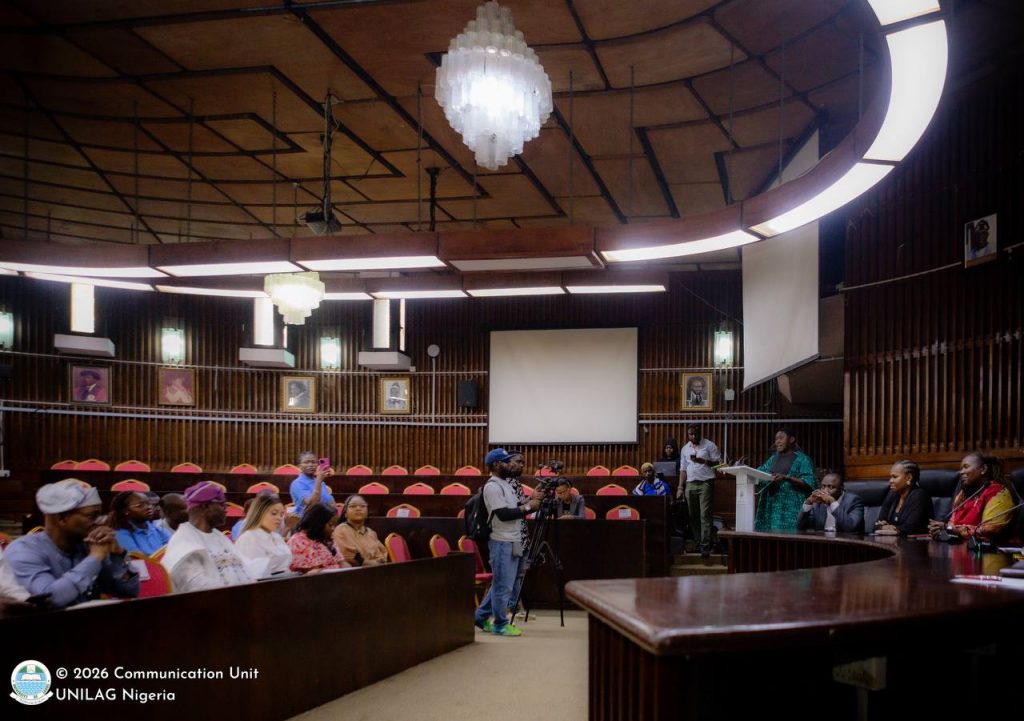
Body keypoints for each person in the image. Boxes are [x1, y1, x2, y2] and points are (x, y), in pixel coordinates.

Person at [6, 479, 138, 608]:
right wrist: (95, 558)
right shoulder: (23, 550)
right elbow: (50, 599)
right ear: (61, 518)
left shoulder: (87, 545)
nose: (101, 522)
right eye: (92, 516)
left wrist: (118, 555)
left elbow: (128, 591)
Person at [473, 448, 542, 637]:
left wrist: (530, 502)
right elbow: (503, 514)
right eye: (506, 462)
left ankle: (480, 616)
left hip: (514, 539)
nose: (511, 465)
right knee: (503, 586)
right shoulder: (493, 487)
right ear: (496, 465)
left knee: (503, 583)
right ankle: (500, 624)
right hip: (501, 541)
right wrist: (528, 507)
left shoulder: (506, 484)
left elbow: (515, 508)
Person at [162, 481, 252, 592]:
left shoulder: (218, 535)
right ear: (206, 506)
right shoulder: (183, 544)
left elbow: (246, 567)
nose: (226, 509)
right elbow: (196, 586)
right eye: (222, 505)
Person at [929, 451, 1019, 542]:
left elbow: (987, 531)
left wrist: (949, 528)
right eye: (961, 469)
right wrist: (940, 531)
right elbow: (951, 524)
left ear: (983, 469)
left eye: (966, 467)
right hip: (961, 547)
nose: (961, 472)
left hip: (992, 549)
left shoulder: (999, 493)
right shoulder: (963, 495)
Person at [755, 428, 816, 531]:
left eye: (781, 438)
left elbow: (809, 482)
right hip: (770, 507)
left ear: (791, 439)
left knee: (788, 537)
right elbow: (760, 473)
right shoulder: (773, 459)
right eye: (776, 439)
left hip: (791, 508)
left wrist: (787, 478)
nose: (777, 442)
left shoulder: (803, 459)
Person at [676, 425, 722, 557]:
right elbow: (683, 470)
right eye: (691, 434)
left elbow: (719, 464)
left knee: (705, 515)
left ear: (700, 433)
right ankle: (698, 542)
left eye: (696, 434)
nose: (694, 436)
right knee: (692, 515)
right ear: (688, 434)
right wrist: (680, 487)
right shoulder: (685, 449)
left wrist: (704, 461)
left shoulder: (709, 445)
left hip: (705, 483)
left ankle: (705, 545)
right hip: (690, 484)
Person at [235, 494, 292, 578]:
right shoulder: (249, 538)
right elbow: (252, 574)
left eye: (281, 515)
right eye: (274, 513)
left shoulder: (276, 537)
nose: (279, 518)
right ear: (259, 513)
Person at [875, 460, 933, 535]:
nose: (890, 481)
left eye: (895, 477)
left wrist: (892, 528)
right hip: (891, 540)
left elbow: (911, 528)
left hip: (914, 541)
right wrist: (882, 526)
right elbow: (878, 523)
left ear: (909, 478)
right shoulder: (892, 494)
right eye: (891, 477)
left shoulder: (920, 496)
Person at [107, 491, 171, 555]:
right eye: (140, 506)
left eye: (148, 503)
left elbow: (172, 550)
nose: (148, 507)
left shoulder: (157, 530)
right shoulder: (120, 534)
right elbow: (136, 558)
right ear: (125, 510)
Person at [287, 504, 348, 573]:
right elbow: (313, 573)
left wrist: (350, 572)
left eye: (335, 525)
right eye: (330, 525)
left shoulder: (326, 538)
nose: (333, 528)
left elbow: (342, 562)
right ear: (318, 523)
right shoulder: (298, 540)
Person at [797, 472, 864, 533]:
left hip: (845, 540)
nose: (825, 491)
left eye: (831, 487)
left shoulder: (854, 501)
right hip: (822, 540)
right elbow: (800, 526)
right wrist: (808, 503)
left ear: (841, 488)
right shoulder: (818, 503)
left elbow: (850, 527)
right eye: (823, 486)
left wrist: (832, 502)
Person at [333, 495, 389, 566]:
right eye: (353, 506)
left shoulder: (370, 532)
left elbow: (382, 553)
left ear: (367, 512)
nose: (358, 509)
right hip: (355, 570)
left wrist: (381, 562)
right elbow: (352, 557)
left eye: (362, 506)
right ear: (345, 513)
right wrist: (375, 564)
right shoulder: (341, 530)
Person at [289, 451, 337, 518]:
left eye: (313, 462)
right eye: (306, 462)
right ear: (299, 466)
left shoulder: (320, 481)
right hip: (310, 520)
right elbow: (313, 504)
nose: (311, 465)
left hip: (328, 518)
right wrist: (319, 480)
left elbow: (329, 500)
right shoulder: (297, 483)